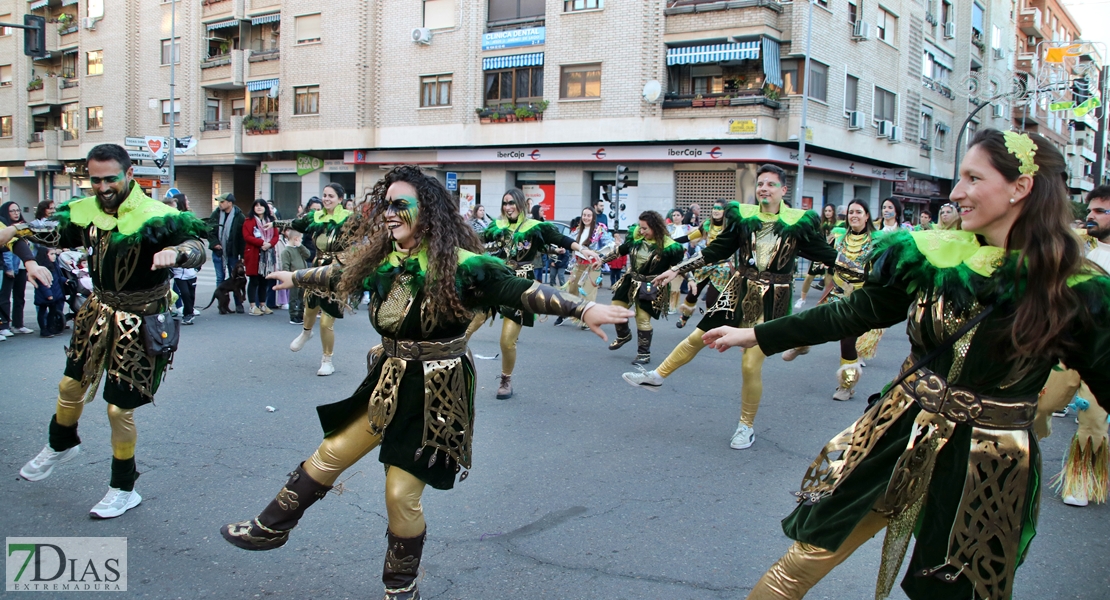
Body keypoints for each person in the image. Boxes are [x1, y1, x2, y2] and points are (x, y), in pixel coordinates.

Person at [702, 129, 1110, 600]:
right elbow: (855, 312)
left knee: (951, 591)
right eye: (960, 177)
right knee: (807, 556)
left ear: (1020, 188)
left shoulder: (1076, 292)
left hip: (988, 463)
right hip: (899, 426)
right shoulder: (933, 255)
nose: (956, 193)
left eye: (973, 178)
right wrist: (757, 334)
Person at [219, 165, 632, 600]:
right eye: (386, 206)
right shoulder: (386, 257)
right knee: (331, 452)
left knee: (400, 495)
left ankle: (401, 587)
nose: (390, 215)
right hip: (389, 377)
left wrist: (581, 308)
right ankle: (269, 529)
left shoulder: (463, 264)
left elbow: (518, 289)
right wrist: (297, 277)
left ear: (428, 211)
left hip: (438, 388)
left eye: (401, 206)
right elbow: (341, 273)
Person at [17, 143, 207, 518]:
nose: (102, 187)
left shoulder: (157, 217)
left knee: (119, 410)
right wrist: (18, 234)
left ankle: (123, 488)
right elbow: (56, 235)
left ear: (129, 175)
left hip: (141, 322)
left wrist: (179, 254)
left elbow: (197, 243)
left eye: (110, 179)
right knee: (69, 386)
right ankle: (62, 442)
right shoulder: (88, 213)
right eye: (96, 179)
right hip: (97, 313)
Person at [630, 165, 838, 451]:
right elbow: (716, 250)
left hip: (773, 298)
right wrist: (676, 269)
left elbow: (827, 254)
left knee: (750, 364)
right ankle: (657, 376)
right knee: (698, 337)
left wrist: (866, 272)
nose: (764, 188)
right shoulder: (744, 218)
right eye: (760, 183)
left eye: (771, 185)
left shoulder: (797, 222)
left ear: (783, 190)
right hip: (736, 290)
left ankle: (746, 425)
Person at [1032, 184, 1110, 508]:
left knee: (1092, 420)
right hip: (1066, 345)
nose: (1090, 216)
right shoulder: (1078, 247)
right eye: (1089, 210)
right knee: (1041, 405)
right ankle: (1027, 449)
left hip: (1102, 352)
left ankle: (1081, 479)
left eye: (1099, 211)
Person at [782, 199, 884, 400]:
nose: (853, 215)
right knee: (815, 320)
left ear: (867, 216)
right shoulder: (838, 237)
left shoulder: (877, 241)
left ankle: (846, 386)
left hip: (860, 299)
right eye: (850, 212)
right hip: (836, 292)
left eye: (858, 212)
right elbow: (819, 252)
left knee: (847, 341)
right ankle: (802, 345)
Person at [286, 183, 355, 376]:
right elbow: (294, 224)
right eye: (324, 195)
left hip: (338, 272)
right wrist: (273, 223)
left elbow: (370, 231)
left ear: (340, 199)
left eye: (331, 196)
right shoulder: (315, 217)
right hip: (317, 269)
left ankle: (327, 359)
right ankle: (306, 332)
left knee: (326, 321)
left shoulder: (349, 220)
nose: (326, 199)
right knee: (309, 308)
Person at [600, 210, 684, 365]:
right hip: (630, 281)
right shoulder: (636, 239)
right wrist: (602, 260)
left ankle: (643, 354)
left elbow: (680, 266)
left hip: (651, 285)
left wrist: (691, 280)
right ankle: (624, 335)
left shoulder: (669, 246)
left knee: (642, 318)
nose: (642, 231)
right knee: (616, 308)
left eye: (645, 228)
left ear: (655, 227)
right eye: (640, 227)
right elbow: (621, 250)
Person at [670, 203, 730, 328]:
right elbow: (688, 237)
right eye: (714, 208)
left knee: (711, 300)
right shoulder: (707, 226)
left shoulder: (731, 227)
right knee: (692, 294)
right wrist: (671, 242)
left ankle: (710, 324)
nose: (716, 210)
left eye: (719, 208)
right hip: (705, 264)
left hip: (721, 267)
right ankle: (684, 317)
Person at [557, 206, 612, 328]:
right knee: (572, 290)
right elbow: (568, 243)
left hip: (592, 266)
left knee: (588, 293)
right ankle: (565, 313)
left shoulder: (599, 230)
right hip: (578, 264)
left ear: (593, 218)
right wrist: (561, 248)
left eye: (588, 215)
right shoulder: (577, 230)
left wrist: (599, 255)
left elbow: (610, 244)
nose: (586, 218)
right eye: (584, 215)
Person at [795, 203, 837, 310]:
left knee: (829, 277)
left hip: (830, 254)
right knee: (810, 276)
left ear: (833, 212)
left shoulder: (838, 225)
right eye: (826, 211)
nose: (827, 213)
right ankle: (802, 299)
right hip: (818, 254)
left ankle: (825, 299)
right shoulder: (819, 224)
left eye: (830, 211)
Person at [1, 201, 34, 337]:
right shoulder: (5, 227)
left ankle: (18, 324)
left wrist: (30, 264)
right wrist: (8, 268)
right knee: (4, 298)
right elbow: (6, 250)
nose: (16, 213)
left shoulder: (23, 227)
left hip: (22, 266)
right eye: (12, 211)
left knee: (19, 296)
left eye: (17, 210)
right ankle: (4, 325)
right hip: (10, 267)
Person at [207, 193, 245, 312]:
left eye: (222, 202)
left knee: (235, 279)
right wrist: (214, 243)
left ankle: (239, 304)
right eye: (220, 202)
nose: (220, 204)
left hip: (232, 253)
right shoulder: (216, 214)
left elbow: (241, 238)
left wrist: (242, 255)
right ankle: (222, 305)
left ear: (230, 203)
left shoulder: (239, 216)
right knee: (220, 278)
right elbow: (209, 230)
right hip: (218, 252)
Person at [243, 199, 279, 316]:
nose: (259, 208)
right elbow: (247, 236)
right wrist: (261, 243)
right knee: (254, 280)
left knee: (264, 280)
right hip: (254, 253)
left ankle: (263, 304)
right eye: (256, 206)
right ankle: (253, 306)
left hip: (267, 254)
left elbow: (275, 236)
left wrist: (269, 244)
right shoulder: (249, 220)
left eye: (261, 206)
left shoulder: (270, 221)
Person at [280, 229, 310, 325]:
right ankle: (293, 315)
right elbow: (285, 265)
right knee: (293, 297)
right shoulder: (286, 251)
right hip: (293, 277)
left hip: (303, 276)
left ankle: (301, 314)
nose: (301, 241)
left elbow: (308, 254)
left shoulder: (299, 249)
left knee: (302, 296)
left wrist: (300, 246)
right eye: (301, 239)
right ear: (296, 238)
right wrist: (289, 276)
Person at [33, 246, 65, 337]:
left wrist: (65, 280)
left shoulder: (54, 265)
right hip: (45, 294)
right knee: (42, 312)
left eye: (55, 254)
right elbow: (42, 283)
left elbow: (57, 278)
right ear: (45, 255)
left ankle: (51, 328)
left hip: (53, 293)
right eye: (51, 254)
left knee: (52, 311)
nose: (54, 256)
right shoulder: (41, 268)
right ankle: (43, 330)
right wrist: (48, 295)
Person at [665, 208, 693, 313]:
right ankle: (668, 304)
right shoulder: (667, 228)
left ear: (682, 217)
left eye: (677, 215)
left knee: (676, 284)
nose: (675, 217)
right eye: (674, 215)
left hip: (683, 258)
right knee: (668, 283)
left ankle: (673, 306)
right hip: (669, 257)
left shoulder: (688, 228)